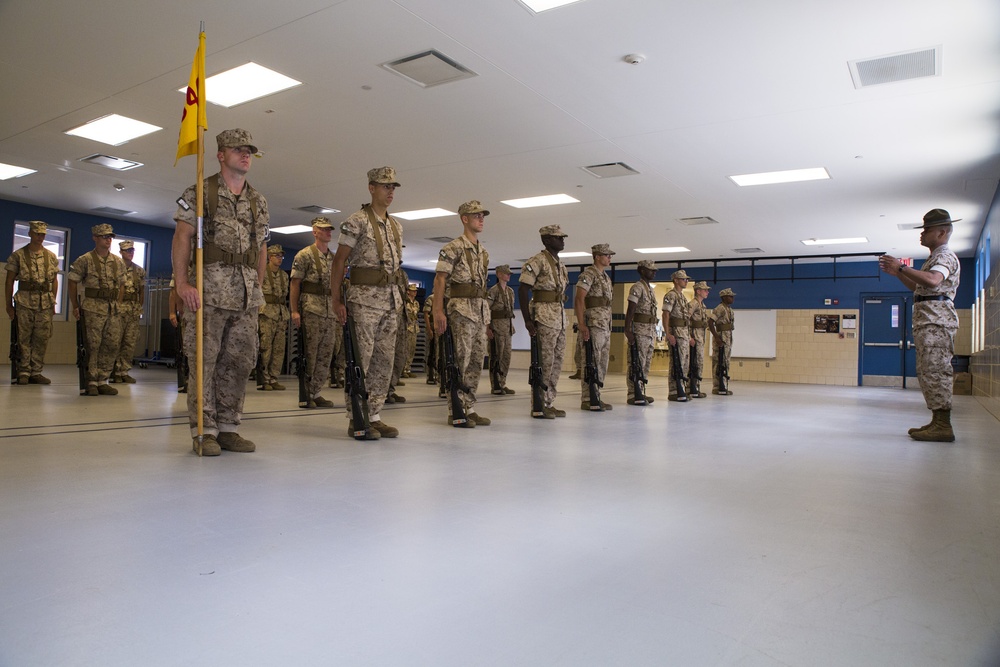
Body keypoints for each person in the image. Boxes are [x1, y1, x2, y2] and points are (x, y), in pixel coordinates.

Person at [172, 128, 268, 456]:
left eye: (249, 150)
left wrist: (258, 287)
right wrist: (182, 283)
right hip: (209, 293)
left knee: (240, 361)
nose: (246, 154)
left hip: (245, 298)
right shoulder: (200, 192)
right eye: (238, 149)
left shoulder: (258, 201)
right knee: (204, 362)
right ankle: (204, 430)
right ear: (221, 155)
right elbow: (182, 237)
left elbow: (261, 248)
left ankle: (228, 428)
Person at [330, 167, 405, 440]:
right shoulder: (357, 221)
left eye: (393, 187)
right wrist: (336, 299)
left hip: (390, 301)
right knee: (361, 360)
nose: (390, 191)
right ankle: (356, 417)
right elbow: (339, 261)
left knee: (384, 361)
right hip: (363, 301)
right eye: (385, 186)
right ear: (372, 188)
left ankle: (374, 414)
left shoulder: (396, 226)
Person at [879, 208, 961, 442]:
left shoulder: (944, 256)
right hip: (929, 321)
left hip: (937, 322)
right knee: (928, 370)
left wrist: (901, 267)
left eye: (927, 230)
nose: (922, 234)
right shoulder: (934, 258)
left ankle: (943, 425)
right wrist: (898, 274)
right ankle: (937, 421)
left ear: (942, 232)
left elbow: (933, 281)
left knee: (936, 370)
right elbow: (919, 287)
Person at [433, 200, 492, 427]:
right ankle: (455, 409)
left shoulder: (483, 252)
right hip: (461, 311)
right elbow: (440, 279)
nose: (481, 219)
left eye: (482, 215)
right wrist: (438, 311)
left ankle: (470, 406)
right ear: (464, 219)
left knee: (476, 361)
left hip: (479, 312)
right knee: (460, 360)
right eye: (476, 215)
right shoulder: (453, 248)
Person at [68, 223, 125, 396]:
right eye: (104, 237)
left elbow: (122, 285)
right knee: (93, 345)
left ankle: (103, 379)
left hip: (112, 309)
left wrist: (119, 303)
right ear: (95, 238)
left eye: (110, 237)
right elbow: (72, 281)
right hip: (93, 308)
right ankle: (91, 380)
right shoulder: (85, 260)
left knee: (112, 344)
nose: (108, 240)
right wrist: (75, 306)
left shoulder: (118, 262)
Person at [518, 224, 569, 419]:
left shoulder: (560, 265)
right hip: (544, 317)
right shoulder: (537, 261)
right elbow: (523, 289)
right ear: (547, 240)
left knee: (556, 362)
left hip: (559, 318)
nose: (562, 240)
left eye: (562, 237)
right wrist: (527, 320)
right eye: (558, 237)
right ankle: (538, 404)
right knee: (544, 363)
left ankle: (549, 402)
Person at [290, 217, 337, 408]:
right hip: (311, 309)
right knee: (310, 353)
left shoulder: (334, 258)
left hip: (330, 312)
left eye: (329, 229)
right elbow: (295, 284)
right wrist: (294, 311)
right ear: (315, 232)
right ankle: (306, 392)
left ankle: (316, 392)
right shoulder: (304, 255)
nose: (328, 232)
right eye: (324, 229)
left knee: (325, 354)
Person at [5, 220, 59, 385]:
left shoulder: (51, 257)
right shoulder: (18, 255)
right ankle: (23, 371)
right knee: (24, 338)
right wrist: (8, 305)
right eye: (37, 233)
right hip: (24, 302)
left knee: (41, 338)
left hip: (45, 303)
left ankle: (36, 372)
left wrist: (53, 302)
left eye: (43, 234)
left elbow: (54, 281)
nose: (40, 237)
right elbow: (9, 281)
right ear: (30, 233)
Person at [575, 243, 615, 411]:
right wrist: (582, 324)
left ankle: (596, 395)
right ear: (597, 257)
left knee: (602, 362)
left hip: (605, 325)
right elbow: (579, 299)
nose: (609, 258)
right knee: (590, 361)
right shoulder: (588, 274)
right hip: (593, 324)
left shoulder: (606, 277)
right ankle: (587, 398)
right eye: (606, 255)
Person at [624, 259, 658, 405]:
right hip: (639, 330)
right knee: (636, 362)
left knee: (645, 363)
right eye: (651, 270)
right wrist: (627, 329)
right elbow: (631, 309)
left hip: (649, 331)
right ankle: (633, 393)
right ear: (642, 271)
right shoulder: (637, 287)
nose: (654, 272)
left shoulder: (650, 289)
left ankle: (641, 391)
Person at [112, 240, 145, 384]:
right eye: (127, 251)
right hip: (119, 309)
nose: (130, 253)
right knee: (115, 340)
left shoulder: (139, 270)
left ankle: (123, 371)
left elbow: (141, 292)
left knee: (130, 341)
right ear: (121, 252)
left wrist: (138, 307)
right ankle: (113, 370)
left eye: (132, 250)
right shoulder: (114, 268)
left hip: (132, 310)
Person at [259, 245, 289, 391]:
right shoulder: (262, 272)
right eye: (277, 256)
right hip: (266, 313)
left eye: (281, 256)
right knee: (265, 346)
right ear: (269, 257)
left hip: (281, 314)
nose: (280, 259)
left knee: (279, 348)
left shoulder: (284, 276)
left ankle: (273, 377)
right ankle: (264, 378)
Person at [661, 269, 692, 402]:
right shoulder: (671, 295)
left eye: (686, 279)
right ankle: (674, 391)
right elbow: (665, 314)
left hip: (684, 334)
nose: (686, 281)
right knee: (676, 362)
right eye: (684, 279)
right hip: (676, 333)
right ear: (676, 280)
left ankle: (681, 389)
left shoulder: (683, 297)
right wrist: (668, 333)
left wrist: (688, 336)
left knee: (683, 363)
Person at [486, 264, 516, 395]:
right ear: (499, 274)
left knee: (506, 357)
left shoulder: (510, 291)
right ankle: (495, 385)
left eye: (509, 273)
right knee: (496, 356)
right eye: (506, 273)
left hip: (507, 329)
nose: (508, 275)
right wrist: (487, 327)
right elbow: (486, 310)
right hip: (496, 329)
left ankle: (502, 383)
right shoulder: (493, 291)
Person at [386, 269, 410, 405]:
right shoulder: (385, 269)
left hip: (401, 318)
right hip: (389, 316)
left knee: (400, 356)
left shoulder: (403, 274)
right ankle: (379, 391)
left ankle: (390, 389)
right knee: (385, 356)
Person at [708, 287, 736, 395]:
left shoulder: (729, 309)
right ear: (724, 297)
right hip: (721, 338)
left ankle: (723, 385)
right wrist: (716, 337)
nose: (732, 298)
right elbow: (710, 322)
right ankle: (717, 386)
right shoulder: (720, 308)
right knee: (718, 362)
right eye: (730, 296)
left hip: (727, 338)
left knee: (725, 362)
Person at [687, 280, 712, 398]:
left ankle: (695, 387)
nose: (707, 292)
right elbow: (685, 319)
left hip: (700, 337)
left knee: (698, 363)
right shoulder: (693, 304)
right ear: (698, 291)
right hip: (694, 337)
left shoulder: (702, 305)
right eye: (705, 290)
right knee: (694, 363)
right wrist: (689, 336)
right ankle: (691, 388)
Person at [403, 284, 420, 377]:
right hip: (407, 328)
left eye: (415, 291)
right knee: (405, 349)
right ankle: (403, 370)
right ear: (408, 291)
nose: (415, 292)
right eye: (413, 290)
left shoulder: (416, 303)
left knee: (412, 349)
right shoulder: (405, 302)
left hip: (414, 328)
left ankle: (408, 369)